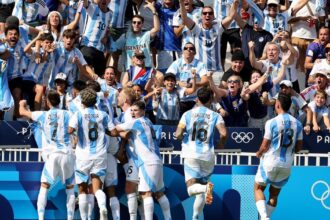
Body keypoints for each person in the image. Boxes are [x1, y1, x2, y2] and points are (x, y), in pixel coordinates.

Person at [19, 90, 75, 220]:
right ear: (60, 101)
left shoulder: (43, 115)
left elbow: (22, 112)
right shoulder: (68, 114)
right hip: (67, 153)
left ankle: (41, 218)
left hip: (53, 155)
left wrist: (22, 103)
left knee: (44, 186)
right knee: (70, 188)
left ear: (47, 102)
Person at [175, 87, 227, 220]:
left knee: (192, 189)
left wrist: (180, 136)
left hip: (191, 154)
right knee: (200, 191)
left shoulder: (187, 114)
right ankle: (195, 217)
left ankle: (205, 189)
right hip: (207, 155)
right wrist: (220, 145)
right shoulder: (216, 115)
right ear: (210, 99)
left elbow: (179, 133)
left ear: (197, 99)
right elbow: (223, 134)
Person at [116, 100, 172, 220]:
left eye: (135, 110)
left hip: (145, 160)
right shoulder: (148, 122)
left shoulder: (137, 121)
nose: (132, 112)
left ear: (143, 111)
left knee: (145, 194)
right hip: (152, 159)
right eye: (131, 110)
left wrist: (105, 127)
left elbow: (116, 130)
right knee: (157, 193)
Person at [68, 88, 118, 220]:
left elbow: (70, 129)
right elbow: (113, 133)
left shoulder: (78, 114)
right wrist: (102, 130)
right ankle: (102, 207)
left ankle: (85, 218)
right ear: (95, 100)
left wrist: (76, 133)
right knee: (97, 188)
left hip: (83, 156)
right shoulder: (103, 115)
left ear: (83, 101)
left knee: (82, 189)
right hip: (100, 155)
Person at [254, 92, 303, 220]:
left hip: (270, 161)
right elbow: (298, 148)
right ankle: (267, 217)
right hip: (286, 165)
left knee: (258, 189)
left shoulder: (271, 122)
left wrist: (259, 153)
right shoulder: (298, 124)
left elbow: (265, 145)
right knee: (274, 195)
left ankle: (264, 217)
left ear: (277, 105)